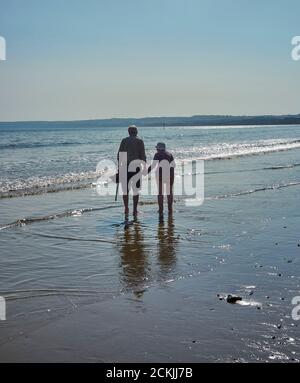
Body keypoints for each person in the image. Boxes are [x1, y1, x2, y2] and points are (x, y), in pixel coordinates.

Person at [117, 125, 146, 216]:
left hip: (125, 166)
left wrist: (119, 168)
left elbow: (119, 155)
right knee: (135, 190)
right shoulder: (140, 141)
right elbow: (143, 156)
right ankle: (134, 210)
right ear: (136, 132)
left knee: (125, 190)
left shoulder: (124, 141)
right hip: (136, 167)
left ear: (129, 132)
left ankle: (126, 208)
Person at [148, 142, 175, 216]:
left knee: (160, 192)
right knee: (169, 192)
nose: (156, 149)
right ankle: (170, 209)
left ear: (159, 148)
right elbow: (174, 165)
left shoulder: (157, 154)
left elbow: (153, 165)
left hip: (160, 174)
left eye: (157, 148)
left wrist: (146, 171)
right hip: (170, 174)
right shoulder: (169, 154)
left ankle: (161, 209)